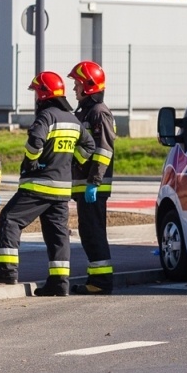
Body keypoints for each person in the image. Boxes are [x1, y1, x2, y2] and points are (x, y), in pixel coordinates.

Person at [0, 72, 94, 297]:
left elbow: (34, 143)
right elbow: (89, 146)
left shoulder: (46, 117)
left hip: (38, 186)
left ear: (43, 94)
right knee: (57, 236)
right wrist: (70, 161)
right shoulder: (73, 120)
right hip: (62, 190)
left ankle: (6, 270)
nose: (35, 98)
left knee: (10, 219)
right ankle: (59, 282)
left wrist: (33, 161)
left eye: (36, 93)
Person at [69, 60, 116, 295]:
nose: (74, 88)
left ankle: (101, 282)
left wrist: (94, 182)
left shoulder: (99, 113)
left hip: (93, 185)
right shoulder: (86, 112)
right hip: (84, 184)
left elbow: (104, 149)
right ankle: (95, 279)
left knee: (93, 233)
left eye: (77, 84)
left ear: (88, 86)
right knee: (88, 233)